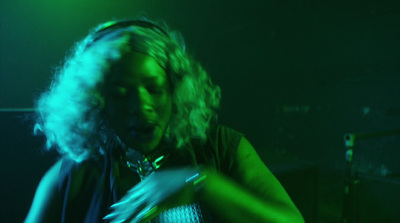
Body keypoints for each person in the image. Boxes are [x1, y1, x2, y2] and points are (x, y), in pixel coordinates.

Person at [24, 18, 304, 223]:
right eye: (121, 95)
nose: (141, 106)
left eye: (154, 89)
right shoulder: (71, 176)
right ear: (98, 103)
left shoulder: (224, 147)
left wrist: (201, 184)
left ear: (175, 90)